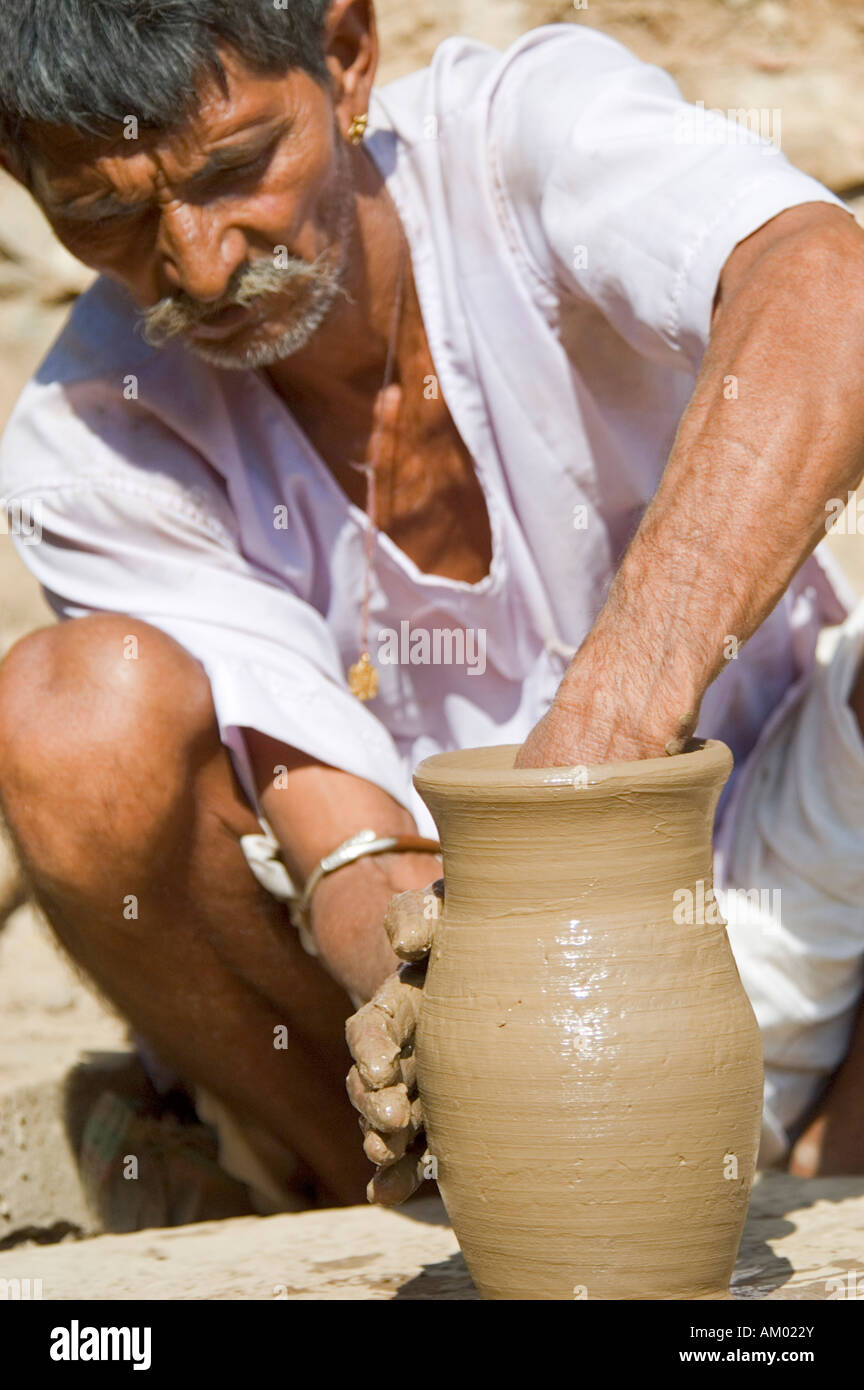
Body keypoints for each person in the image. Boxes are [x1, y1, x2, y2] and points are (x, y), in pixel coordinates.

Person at [1, 0, 864, 1210]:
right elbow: (342, 836)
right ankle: (380, 1190)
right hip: (462, 965)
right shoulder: (95, 441)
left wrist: (585, 765)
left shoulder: (525, 138)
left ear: (346, 56)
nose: (201, 264)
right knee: (61, 711)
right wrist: (437, 1001)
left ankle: (829, 1152)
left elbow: (827, 286)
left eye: (241, 168)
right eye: (105, 212)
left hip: (779, 855)